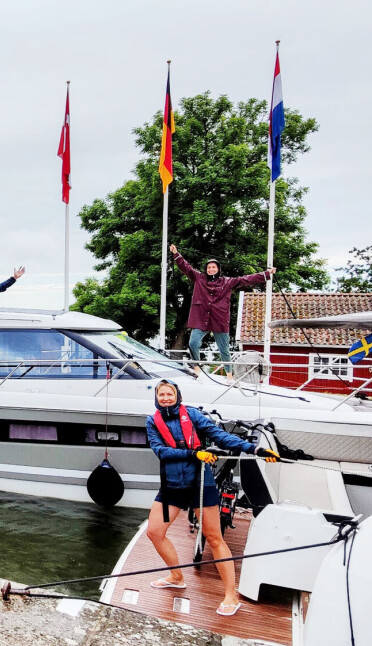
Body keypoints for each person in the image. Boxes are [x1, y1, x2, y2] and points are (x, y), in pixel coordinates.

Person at [145, 380, 278, 617]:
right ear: (156, 397)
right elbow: (160, 451)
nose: (166, 397)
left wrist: (254, 450)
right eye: (161, 394)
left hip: (200, 484)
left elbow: (220, 436)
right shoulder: (152, 421)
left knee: (214, 537)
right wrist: (195, 453)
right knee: (154, 532)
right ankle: (176, 576)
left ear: (177, 395)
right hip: (172, 485)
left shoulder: (193, 416)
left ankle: (231, 595)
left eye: (170, 393)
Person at [170, 244, 276, 379]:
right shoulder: (198, 278)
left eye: (214, 267)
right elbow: (186, 267)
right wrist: (176, 254)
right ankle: (196, 367)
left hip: (219, 319)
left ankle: (229, 375)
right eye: (209, 267)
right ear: (206, 269)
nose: (211, 269)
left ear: (218, 269)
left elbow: (246, 279)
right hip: (200, 318)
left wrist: (266, 274)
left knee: (224, 349)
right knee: (193, 343)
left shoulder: (227, 282)